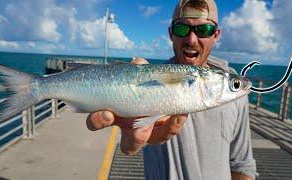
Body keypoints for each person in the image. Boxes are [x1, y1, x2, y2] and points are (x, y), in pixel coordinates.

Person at [86, 0, 257, 179]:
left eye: (203, 30)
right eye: (181, 29)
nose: (191, 39)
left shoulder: (234, 94)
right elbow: (132, 146)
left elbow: (242, 163)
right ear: (170, 33)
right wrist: (132, 140)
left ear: (216, 34)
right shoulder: (150, 78)